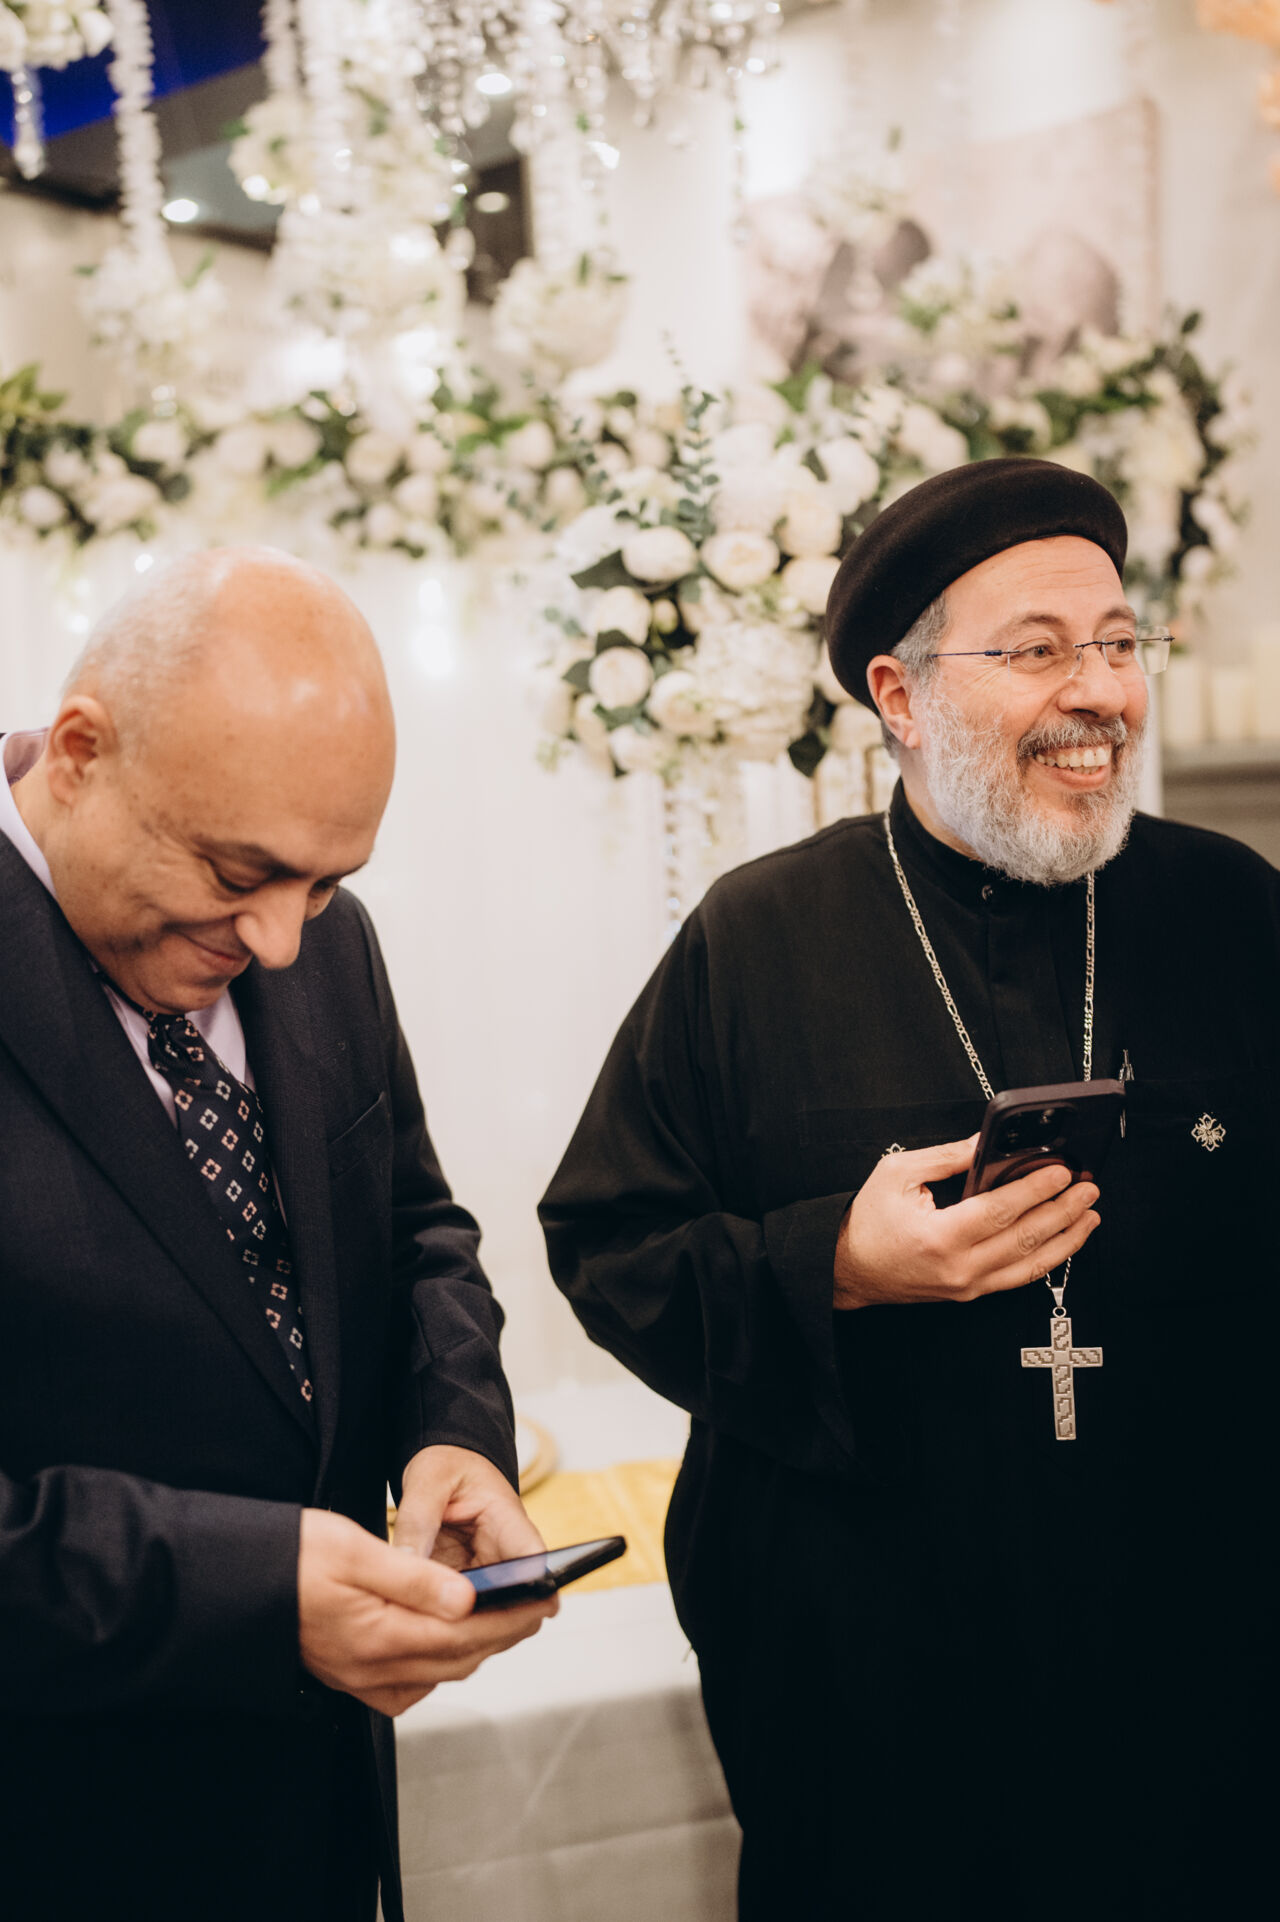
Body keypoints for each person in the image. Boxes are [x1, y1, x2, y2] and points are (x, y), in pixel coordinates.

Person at [540, 459, 1277, 1920]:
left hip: (1198, 1682)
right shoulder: (759, 940)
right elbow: (609, 1244)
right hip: (879, 1705)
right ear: (901, 693)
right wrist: (836, 1264)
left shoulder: (1233, 909)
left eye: (1118, 642)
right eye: (1038, 650)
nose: (1101, 693)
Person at [0, 548, 556, 1922]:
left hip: (313, 1819)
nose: (285, 940)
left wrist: (452, 1430)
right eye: (239, 871)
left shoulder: (319, 934)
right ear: (79, 753)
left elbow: (415, 1222)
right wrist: (246, 1586)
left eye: (326, 882)